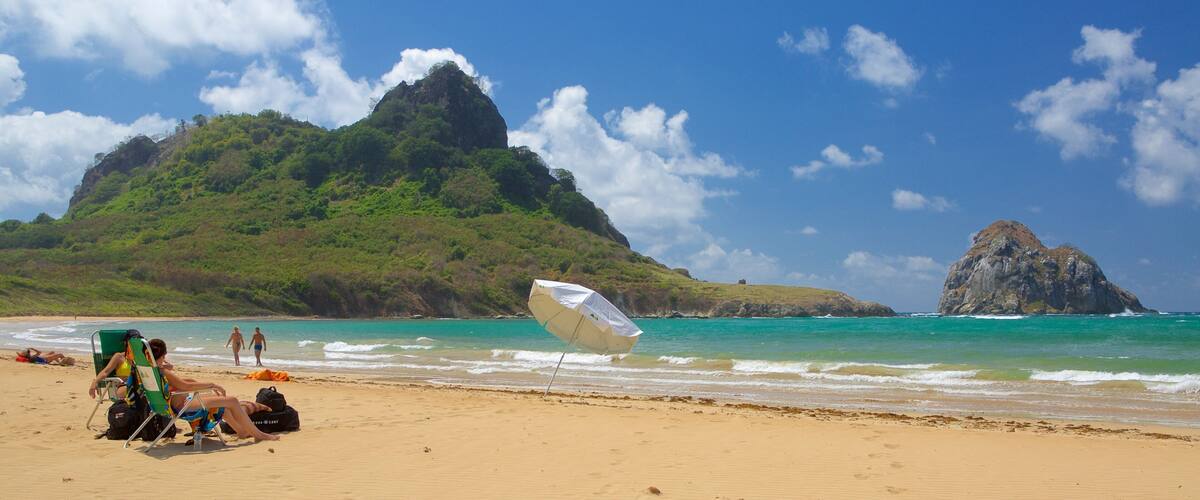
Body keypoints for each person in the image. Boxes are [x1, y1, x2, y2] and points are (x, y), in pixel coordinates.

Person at [147, 339, 278, 442]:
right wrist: (212, 385)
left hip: (168, 406)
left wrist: (169, 369)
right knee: (232, 400)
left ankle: (241, 431)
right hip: (182, 406)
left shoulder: (151, 371)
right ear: (163, 355)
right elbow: (186, 386)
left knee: (221, 403)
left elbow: (180, 383)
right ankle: (259, 435)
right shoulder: (163, 372)